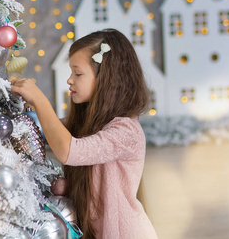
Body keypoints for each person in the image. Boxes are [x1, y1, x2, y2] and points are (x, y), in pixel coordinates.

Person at [11, 29, 158, 239]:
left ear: (107, 78)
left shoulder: (126, 132)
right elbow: (44, 133)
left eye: (77, 73)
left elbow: (68, 151)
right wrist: (28, 110)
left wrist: (40, 100)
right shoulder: (86, 123)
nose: (70, 80)